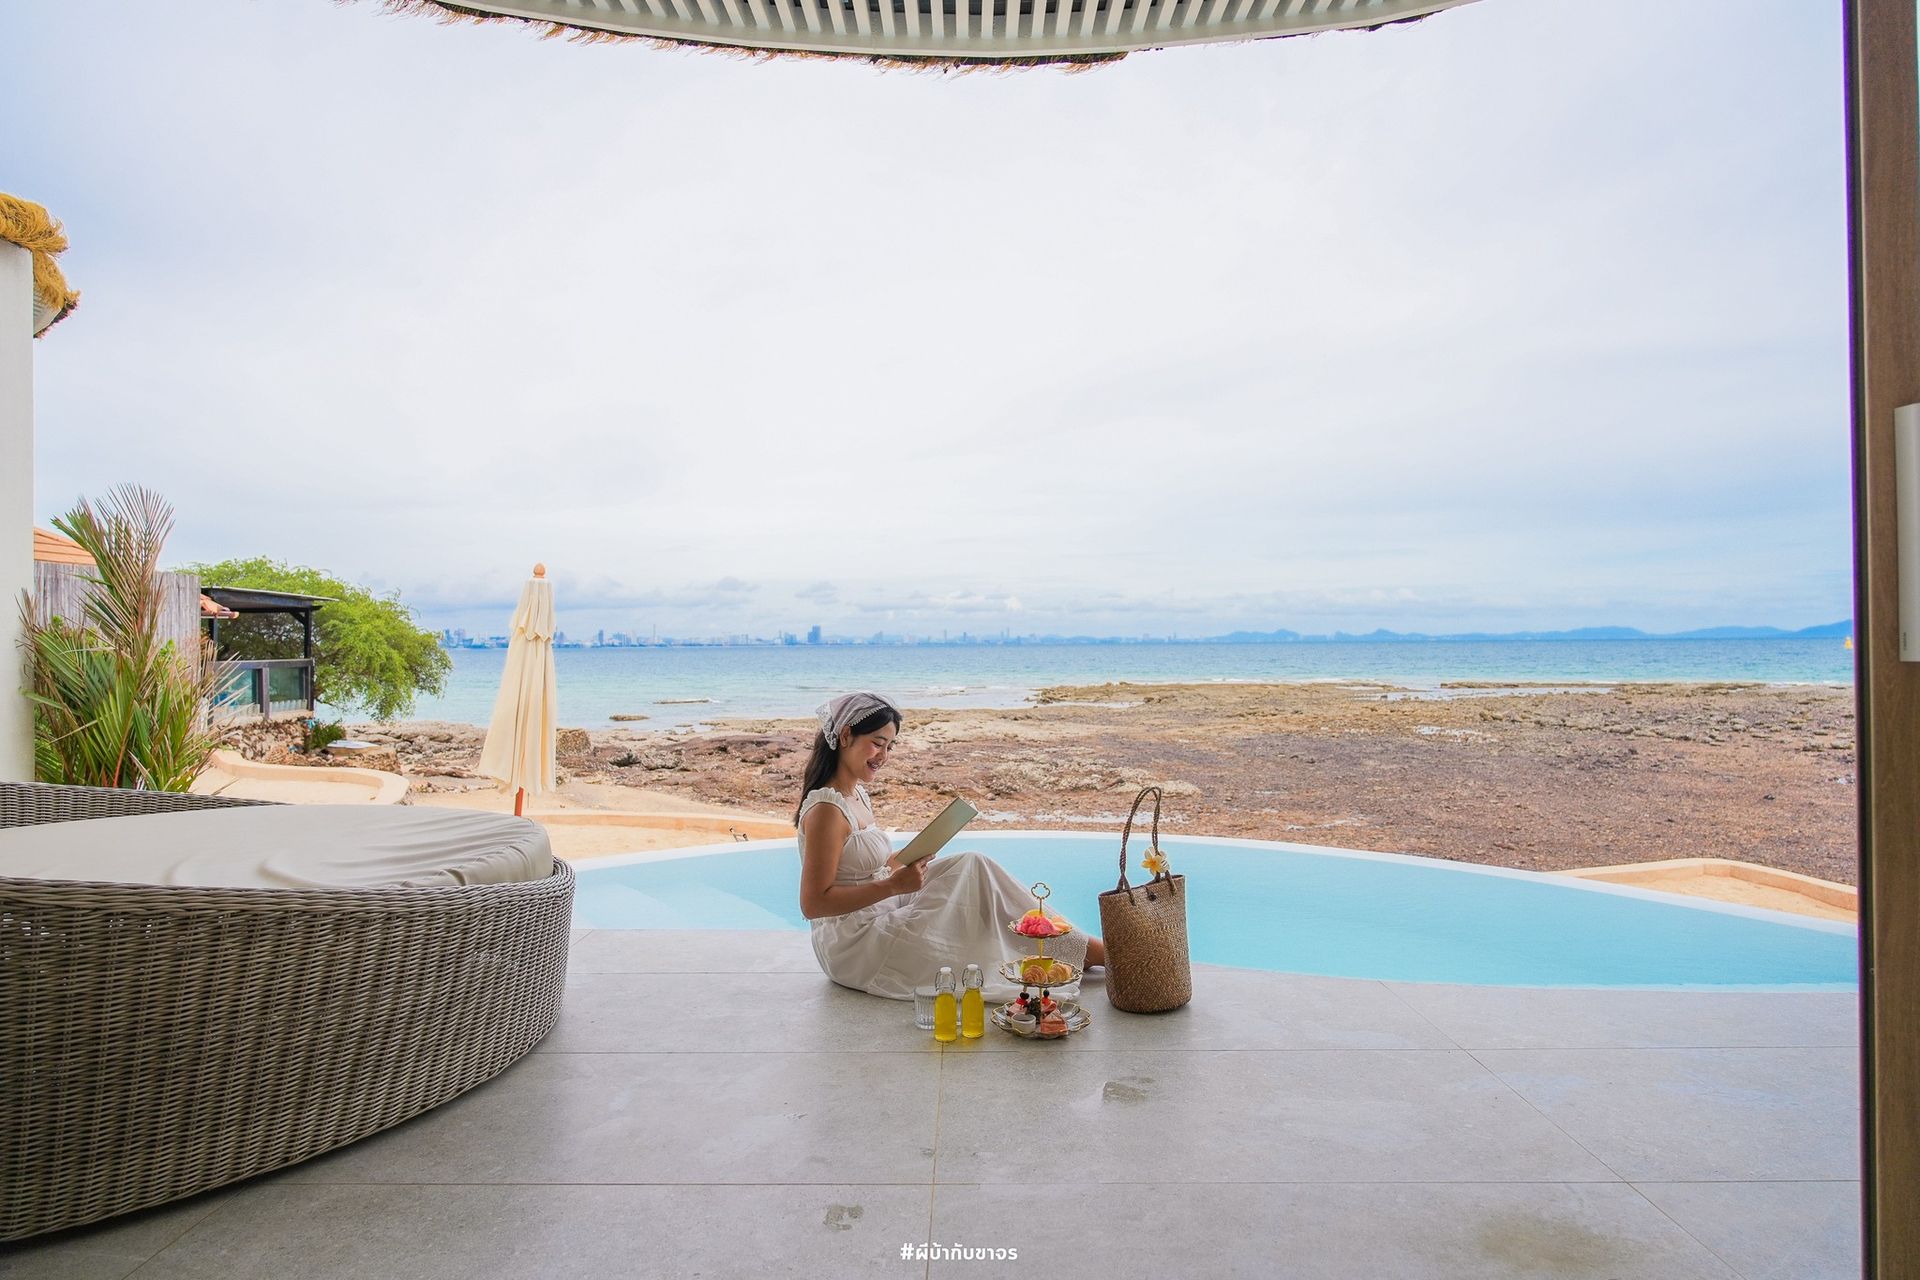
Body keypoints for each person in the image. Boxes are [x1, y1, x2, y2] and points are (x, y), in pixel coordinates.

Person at [796, 691, 1106, 1002]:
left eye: (890, 746)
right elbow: (814, 904)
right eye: (877, 743)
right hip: (855, 945)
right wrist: (893, 886)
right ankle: (1097, 953)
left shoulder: (857, 794)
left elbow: (859, 869)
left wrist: (906, 860)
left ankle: (1077, 947)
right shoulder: (827, 809)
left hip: (881, 905)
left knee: (972, 865)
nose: (884, 755)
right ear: (846, 735)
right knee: (964, 899)